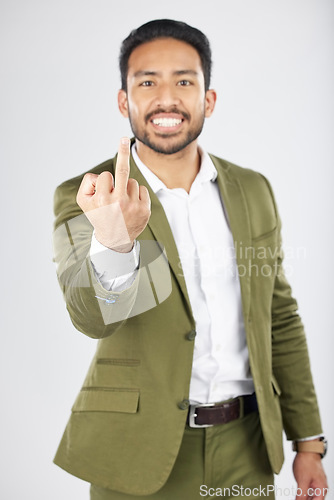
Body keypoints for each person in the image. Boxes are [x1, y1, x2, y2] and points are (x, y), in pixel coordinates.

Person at [53, 19, 328, 500]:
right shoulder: (89, 194)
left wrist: (309, 441)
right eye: (147, 81)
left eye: (184, 80)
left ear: (208, 99)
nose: (167, 97)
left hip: (248, 449)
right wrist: (116, 241)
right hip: (139, 455)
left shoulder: (253, 189)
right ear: (125, 101)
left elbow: (279, 318)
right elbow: (92, 320)